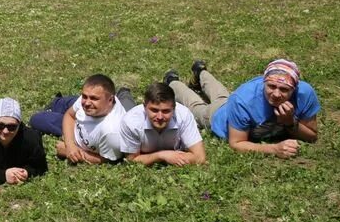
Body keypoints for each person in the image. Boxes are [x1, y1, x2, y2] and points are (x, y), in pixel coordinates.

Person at [167, 59, 319, 159]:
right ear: (263, 83)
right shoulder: (243, 100)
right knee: (197, 108)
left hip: (231, 104)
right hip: (218, 117)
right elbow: (237, 143)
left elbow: (312, 135)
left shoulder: (304, 94)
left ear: (295, 89)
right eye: (271, 86)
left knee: (222, 97)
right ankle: (173, 83)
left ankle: (200, 72)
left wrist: (290, 122)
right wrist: (274, 149)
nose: (276, 94)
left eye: (284, 89)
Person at [31, 74, 127, 165]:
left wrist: (74, 153)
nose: (87, 103)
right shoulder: (89, 102)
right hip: (85, 116)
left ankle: (125, 94)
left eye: (94, 98)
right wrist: (70, 145)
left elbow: (107, 159)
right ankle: (57, 102)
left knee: (37, 119)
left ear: (110, 100)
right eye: (84, 96)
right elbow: (69, 115)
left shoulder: (111, 132)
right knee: (62, 103)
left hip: (76, 129)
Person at [120, 83, 206, 166]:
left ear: (174, 109)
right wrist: (161, 155)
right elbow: (132, 160)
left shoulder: (183, 115)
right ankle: (123, 92)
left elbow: (200, 157)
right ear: (144, 107)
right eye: (154, 110)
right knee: (126, 105)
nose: (160, 117)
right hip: (133, 114)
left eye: (166, 111)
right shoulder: (130, 121)